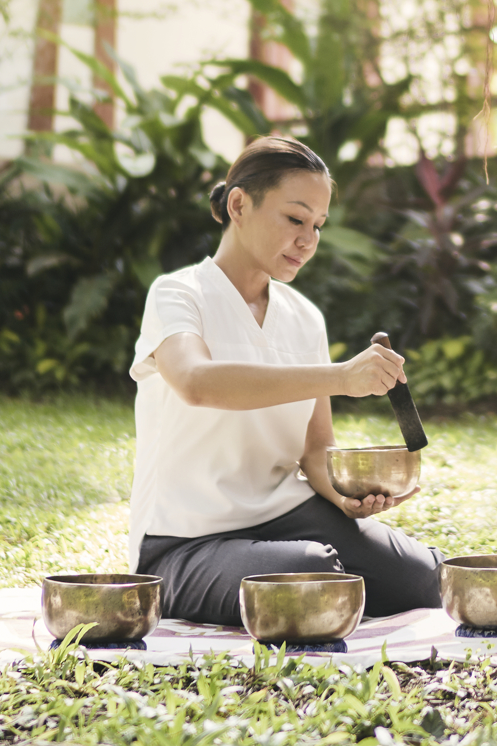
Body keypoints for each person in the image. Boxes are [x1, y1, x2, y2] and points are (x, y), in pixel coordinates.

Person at [127, 135, 442, 627]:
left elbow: (316, 451)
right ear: (238, 204)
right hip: (187, 540)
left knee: (423, 577)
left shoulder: (304, 317)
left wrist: (345, 496)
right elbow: (196, 382)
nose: (308, 239)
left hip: (289, 517)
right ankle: (255, 582)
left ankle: (329, 578)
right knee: (310, 575)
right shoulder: (178, 295)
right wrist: (340, 376)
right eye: (295, 219)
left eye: (317, 225)